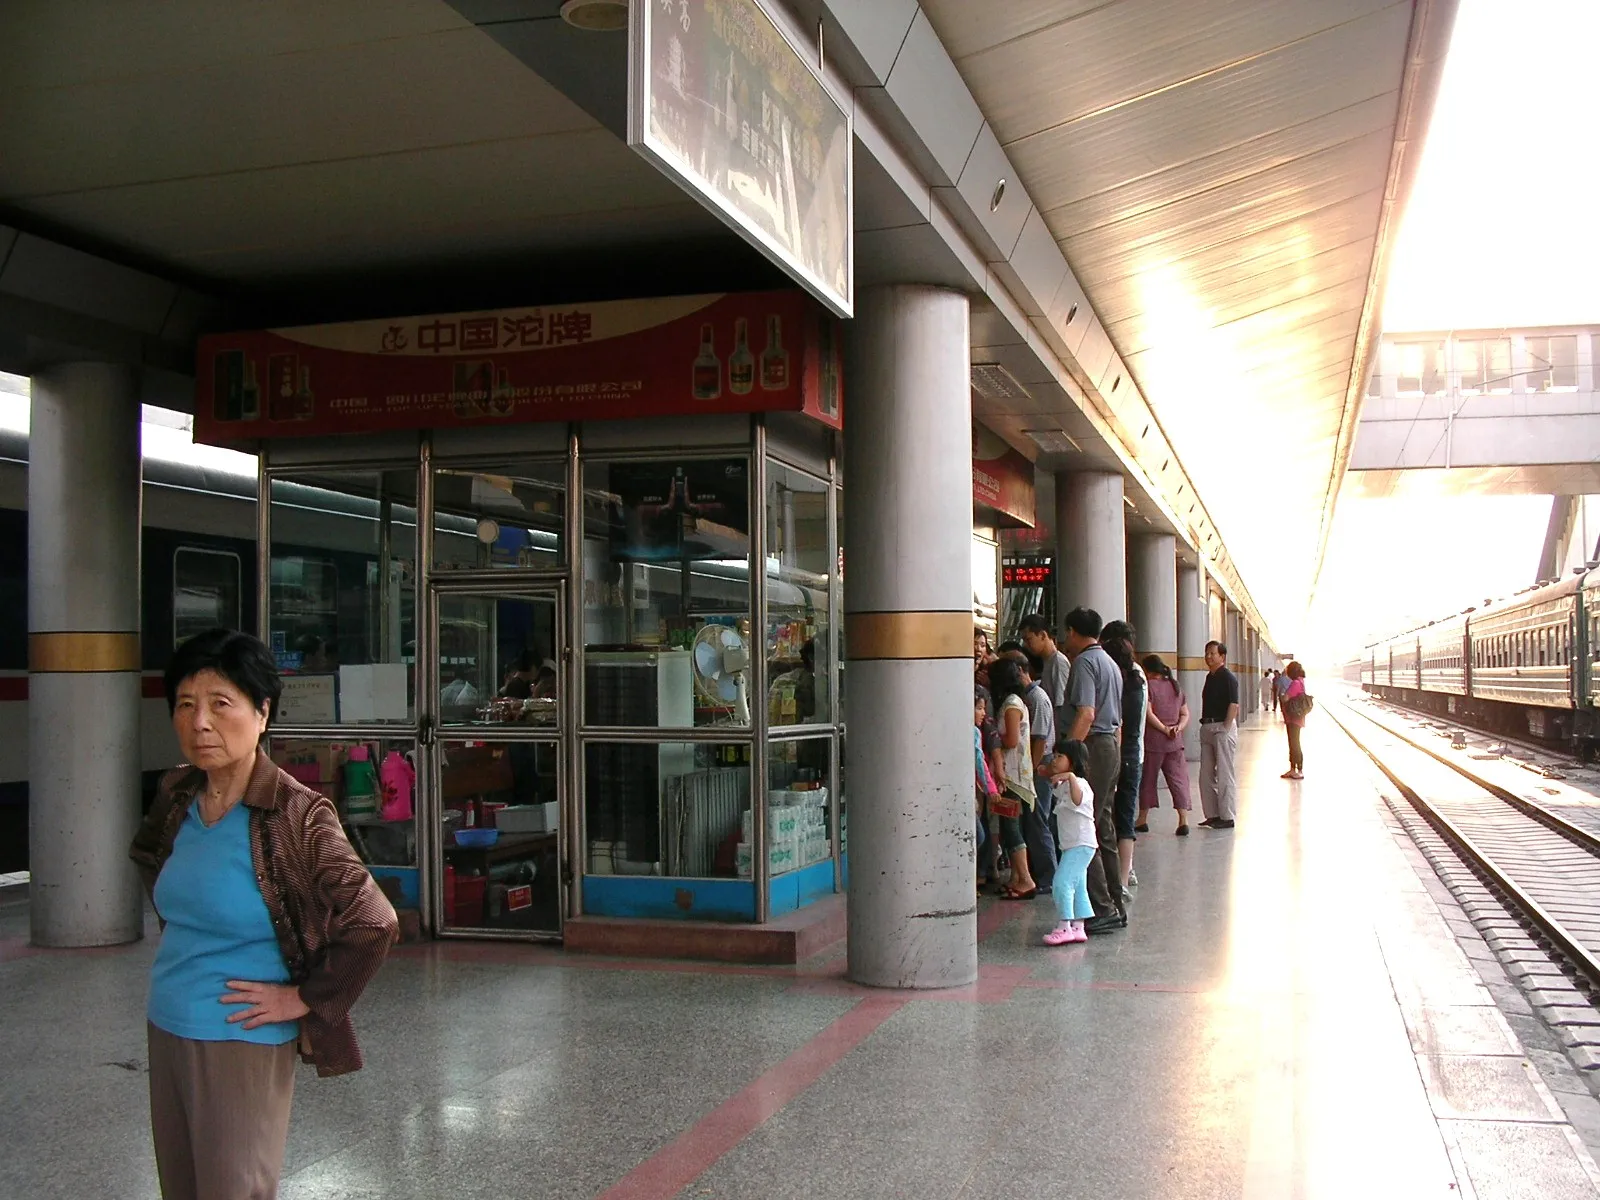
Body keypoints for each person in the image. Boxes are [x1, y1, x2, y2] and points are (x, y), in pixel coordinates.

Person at [130, 628, 399, 1199]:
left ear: (262, 712)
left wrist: (304, 999)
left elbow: (375, 921)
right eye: (185, 704)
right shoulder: (177, 794)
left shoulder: (297, 814)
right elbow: (149, 858)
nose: (200, 722)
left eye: (220, 704)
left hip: (241, 1040)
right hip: (167, 1021)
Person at [1062, 606, 1125, 933]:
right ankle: (1116, 901)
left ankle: (1102, 908)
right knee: (1104, 824)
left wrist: (1068, 754)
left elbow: (1086, 713)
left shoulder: (1085, 662)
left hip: (1094, 745)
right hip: (1110, 745)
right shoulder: (1110, 663)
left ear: (1072, 631)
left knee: (1086, 826)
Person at [1001, 649, 1057, 895]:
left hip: (1036, 764)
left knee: (1039, 820)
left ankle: (1047, 876)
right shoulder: (1026, 698)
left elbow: (1040, 739)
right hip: (1029, 767)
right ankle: (1031, 873)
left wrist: (1032, 771)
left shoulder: (1037, 698)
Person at [1101, 620, 1145, 904]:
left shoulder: (1111, 677)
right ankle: (1124, 876)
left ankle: (1111, 876)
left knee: (1105, 813)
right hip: (1134, 753)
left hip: (1112, 752)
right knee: (1126, 814)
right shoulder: (1138, 676)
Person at [987, 657, 1039, 898]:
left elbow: (1011, 740)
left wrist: (993, 736)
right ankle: (1018, 877)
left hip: (1012, 775)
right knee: (1011, 827)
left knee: (1012, 827)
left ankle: (1025, 879)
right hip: (1016, 774)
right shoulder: (1017, 701)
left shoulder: (1011, 705)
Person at [1041, 739, 1096, 946]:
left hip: (1080, 844)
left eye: (1059, 757)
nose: (1055, 760)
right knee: (1079, 885)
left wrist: (1071, 777)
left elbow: (1077, 799)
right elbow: (1052, 781)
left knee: (1062, 882)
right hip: (1073, 844)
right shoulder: (1063, 785)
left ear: (1073, 762)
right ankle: (1078, 926)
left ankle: (1064, 925)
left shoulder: (1079, 783)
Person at [1137, 655, 1193, 834]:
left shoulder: (1149, 687)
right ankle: (1183, 819)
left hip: (1154, 742)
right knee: (1178, 780)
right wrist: (1177, 728)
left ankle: (1142, 819)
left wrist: (1163, 728)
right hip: (1175, 742)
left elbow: (1148, 713)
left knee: (1148, 780)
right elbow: (1185, 714)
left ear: (1148, 670)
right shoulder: (1175, 687)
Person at [1198, 639, 1240, 830]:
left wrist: (1225, 726)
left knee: (1224, 773)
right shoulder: (1210, 677)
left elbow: (1234, 704)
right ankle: (1213, 814)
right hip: (1207, 728)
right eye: (1207, 653)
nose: (1208, 657)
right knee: (1205, 775)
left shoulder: (1228, 677)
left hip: (1222, 727)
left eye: (1212, 654)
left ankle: (1227, 816)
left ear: (1222, 656)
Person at [1019, 613, 1071, 735]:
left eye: (1028, 639)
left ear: (1043, 635)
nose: (1027, 645)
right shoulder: (1047, 661)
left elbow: (1060, 705)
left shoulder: (1058, 662)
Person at [974, 687, 1001, 891]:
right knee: (978, 835)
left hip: (971, 790)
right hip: (969, 792)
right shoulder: (973, 732)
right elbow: (979, 761)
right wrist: (990, 789)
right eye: (979, 708)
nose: (984, 713)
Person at [1281, 661, 1309, 779]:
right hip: (1296, 717)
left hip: (1293, 718)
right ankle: (1293, 769)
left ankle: (1299, 769)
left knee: (1294, 743)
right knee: (1294, 743)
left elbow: (1286, 698)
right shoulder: (1301, 681)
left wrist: (1282, 696)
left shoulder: (1295, 683)